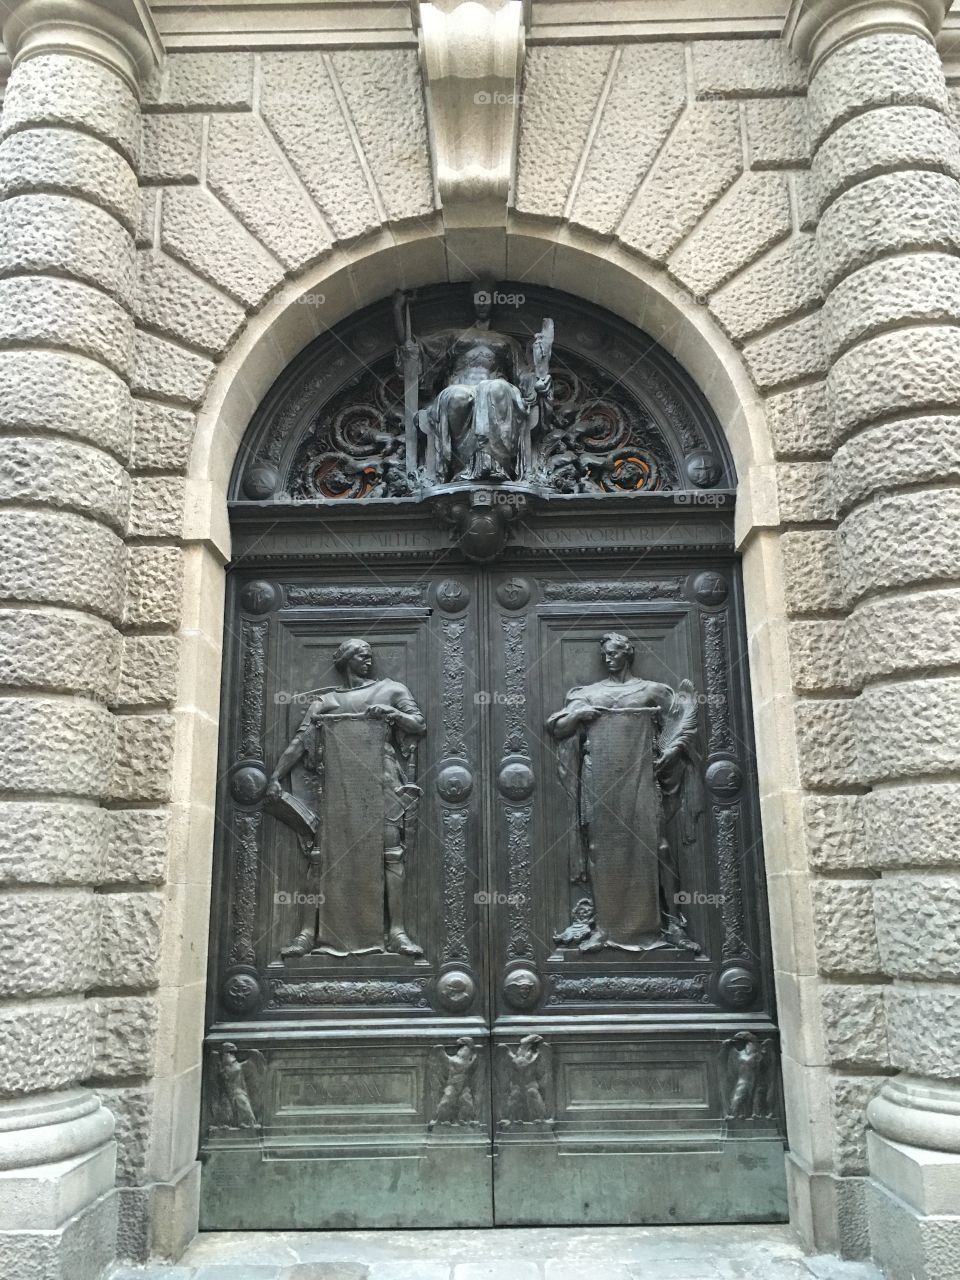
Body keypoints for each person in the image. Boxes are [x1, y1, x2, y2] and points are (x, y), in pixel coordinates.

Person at [267, 638, 426, 957]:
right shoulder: (326, 702)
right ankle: (307, 933)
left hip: (383, 783)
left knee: (391, 853)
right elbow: (300, 743)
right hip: (339, 787)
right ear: (346, 661)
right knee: (320, 856)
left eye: (369, 656)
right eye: (361, 656)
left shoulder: (392, 690)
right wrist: (276, 776)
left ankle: (396, 932)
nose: (368, 661)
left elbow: (418, 725)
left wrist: (393, 713)